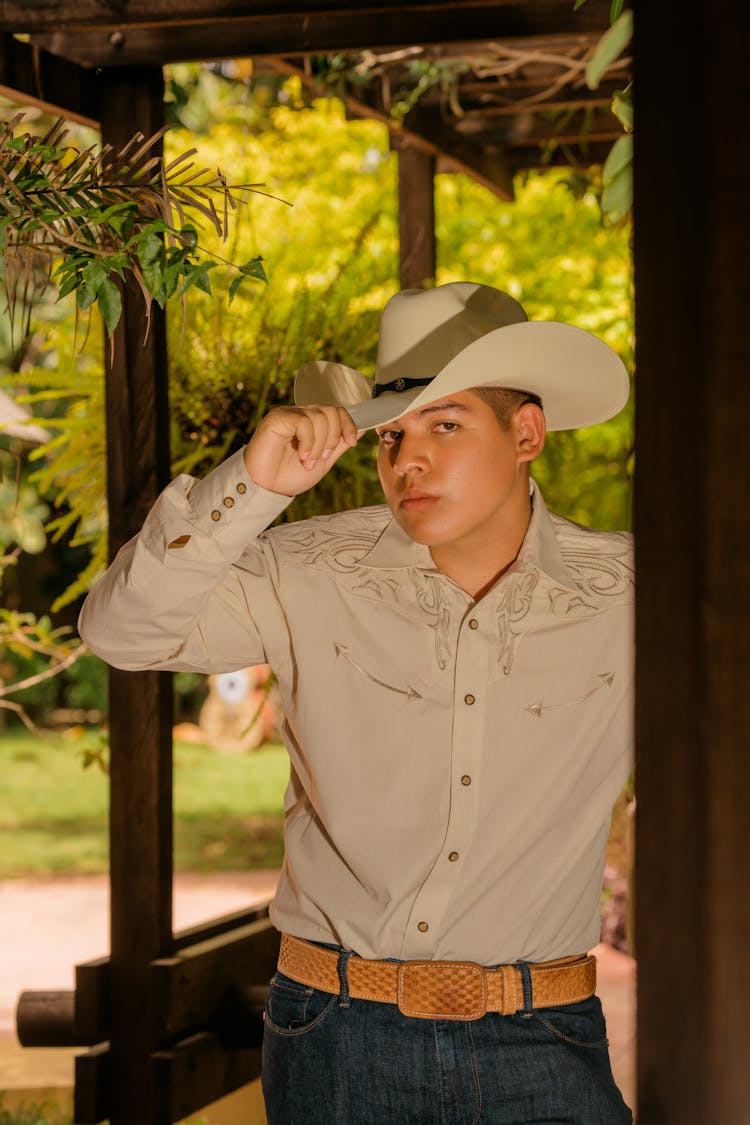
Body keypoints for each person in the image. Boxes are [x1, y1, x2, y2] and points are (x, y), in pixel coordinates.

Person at [79, 281, 634, 1124]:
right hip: (337, 1039)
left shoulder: (631, 593)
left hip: (547, 1040)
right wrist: (250, 487)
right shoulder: (304, 570)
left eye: (445, 424)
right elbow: (122, 632)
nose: (407, 459)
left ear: (527, 432)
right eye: (391, 434)